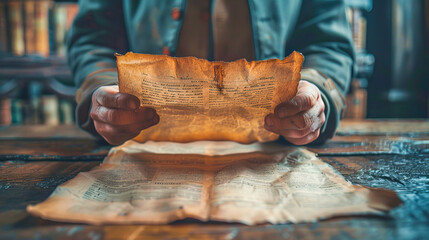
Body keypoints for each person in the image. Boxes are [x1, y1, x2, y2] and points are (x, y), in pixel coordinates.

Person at [68, 0, 354, 145]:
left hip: (273, 147)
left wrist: (315, 92)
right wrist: (105, 93)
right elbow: (94, 38)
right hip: (142, 146)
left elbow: (327, 43)